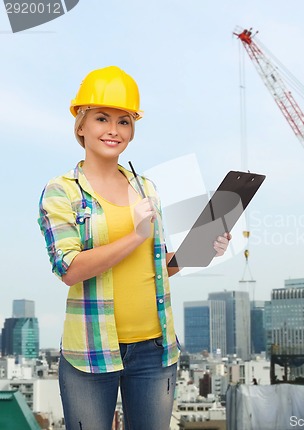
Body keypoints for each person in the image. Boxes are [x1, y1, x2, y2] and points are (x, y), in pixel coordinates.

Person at [37, 65, 230, 429]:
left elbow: (157, 267)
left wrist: (204, 248)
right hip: (91, 354)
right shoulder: (61, 191)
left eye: (124, 121)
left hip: (155, 351)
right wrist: (135, 235)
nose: (113, 130)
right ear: (80, 125)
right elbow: (69, 269)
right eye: (101, 118)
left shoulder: (147, 188)